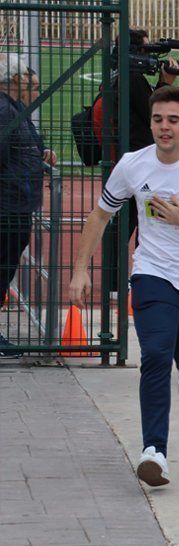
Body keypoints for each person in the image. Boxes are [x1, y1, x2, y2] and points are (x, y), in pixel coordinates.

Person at [68, 86, 179, 487]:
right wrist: (81, 268)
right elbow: (100, 216)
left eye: (172, 120)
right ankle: (155, 451)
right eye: (157, 120)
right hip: (153, 271)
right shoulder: (133, 165)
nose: (164, 128)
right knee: (154, 354)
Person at [107, 29, 179, 296]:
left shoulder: (120, 75)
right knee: (137, 220)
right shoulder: (131, 78)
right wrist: (166, 83)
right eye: (143, 49)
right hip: (140, 160)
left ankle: (119, 279)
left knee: (128, 220)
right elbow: (154, 111)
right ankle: (128, 279)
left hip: (129, 157)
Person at [0, 53, 57, 358]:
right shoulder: (4, 111)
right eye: (26, 79)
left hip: (16, 203)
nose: (31, 87)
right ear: (14, 80)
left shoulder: (15, 109)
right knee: (2, 266)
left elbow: (25, 145)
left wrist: (40, 153)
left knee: (5, 266)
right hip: (8, 205)